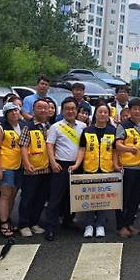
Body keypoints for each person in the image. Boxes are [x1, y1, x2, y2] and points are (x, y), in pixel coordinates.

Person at [70, 102, 120, 238]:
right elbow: (82, 149)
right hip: (90, 169)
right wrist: (76, 165)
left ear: (109, 115)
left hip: (106, 169)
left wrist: (115, 165)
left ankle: (100, 225)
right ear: (95, 114)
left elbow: (115, 151)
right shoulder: (87, 130)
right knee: (90, 199)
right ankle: (89, 225)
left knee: (104, 199)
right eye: (100, 112)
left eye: (105, 112)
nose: (103, 114)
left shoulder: (112, 131)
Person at [44, 97, 87, 241]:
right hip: (60, 165)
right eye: (67, 108)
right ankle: (50, 227)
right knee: (56, 197)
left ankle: (68, 221)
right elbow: (49, 145)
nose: (70, 111)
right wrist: (53, 162)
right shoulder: (56, 127)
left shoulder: (82, 126)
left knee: (72, 197)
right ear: (62, 110)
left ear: (77, 110)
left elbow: (83, 146)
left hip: (77, 165)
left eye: (73, 108)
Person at [114, 97, 140, 238]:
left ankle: (129, 223)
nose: (137, 111)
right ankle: (120, 226)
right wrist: (129, 149)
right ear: (129, 110)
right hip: (127, 168)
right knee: (124, 199)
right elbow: (118, 145)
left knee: (136, 199)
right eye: (134, 109)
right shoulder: (123, 126)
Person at [18, 98, 51, 237]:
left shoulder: (50, 126)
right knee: (28, 197)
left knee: (40, 198)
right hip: (32, 168)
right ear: (34, 109)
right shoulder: (28, 126)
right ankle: (24, 224)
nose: (43, 110)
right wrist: (26, 163)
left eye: (45, 108)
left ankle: (34, 222)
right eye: (40, 108)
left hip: (46, 168)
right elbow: (23, 146)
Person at [0, 103, 25, 237]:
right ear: (5, 114)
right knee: (5, 194)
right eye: (10, 111)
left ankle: (7, 218)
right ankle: (3, 222)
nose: (14, 113)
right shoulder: (1, 128)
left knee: (13, 194)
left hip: (19, 165)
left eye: (16, 110)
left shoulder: (23, 126)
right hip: (6, 165)